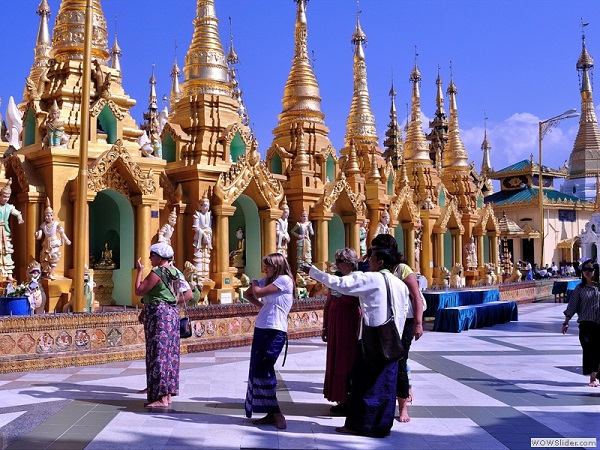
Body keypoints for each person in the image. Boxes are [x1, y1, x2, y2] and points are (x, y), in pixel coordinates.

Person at [302, 246, 410, 438]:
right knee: (385, 383)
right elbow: (402, 312)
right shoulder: (400, 284)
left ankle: (358, 424)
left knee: (363, 382)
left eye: (372, 259)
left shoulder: (372, 278)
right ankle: (381, 425)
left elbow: (340, 283)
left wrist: (313, 272)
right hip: (392, 341)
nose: (368, 263)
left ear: (381, 262)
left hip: (372, 339)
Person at [370, 233, 423, 422]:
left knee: (399, 361)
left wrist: (418, 323)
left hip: (404, 322)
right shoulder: (376, 268)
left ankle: (402, 408)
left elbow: (416, 296)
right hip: (385, 321)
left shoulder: (402, 269)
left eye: (375, 249)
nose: (372, 253)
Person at [135, 242, 193, 407]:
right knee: (169, 354)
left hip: (159, 316)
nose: (150, 258)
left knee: (158, 354)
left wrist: (139, 272)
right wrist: (170, 303)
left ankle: (161, 397)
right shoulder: (175, 272)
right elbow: (186, 294)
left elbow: (139, 290)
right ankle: (165, 393)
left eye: (152, 255)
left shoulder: (157, 272)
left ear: (160, 258)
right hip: (171, 315)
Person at [244, 253, 295, 430]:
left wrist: (253, 281)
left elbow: (256, 292)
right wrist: (264, 307)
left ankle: (276, 412)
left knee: (265, 368)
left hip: (275, 329)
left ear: (278, 266)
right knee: (257, 368)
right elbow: (248, 294)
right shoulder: (269, 279)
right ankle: (269, 412)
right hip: (262, 326)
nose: (265, 269)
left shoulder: (284, 280)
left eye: (269, 266)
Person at [322, 248, 361, 415]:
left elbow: (354, 301)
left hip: (348, 322)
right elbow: (328, 302)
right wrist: (325, 326)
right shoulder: (336, 279)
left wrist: (340, 295)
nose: (336, 265)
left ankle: (347, 398)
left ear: (348, 263)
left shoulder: (356, 279)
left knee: (346, 359)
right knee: (335, 357)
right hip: (334, 322)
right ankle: (338, 397)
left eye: (339, 261)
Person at [562, 259, 600, 387]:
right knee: (589, 350)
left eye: (590, 269)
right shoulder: (580, 288)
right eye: (585, 270)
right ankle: (592, 378)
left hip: (599, 325)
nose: (587, 272)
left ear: (595, 270)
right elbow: (572, 305)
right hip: (586, 325)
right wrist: (566, 322)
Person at [34, 199, 71, 280]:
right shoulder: (43, 225)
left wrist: (66, 239)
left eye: (49, 215)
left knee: (54, 258)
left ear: (53, 216)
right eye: (46, 216)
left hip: (54, 242)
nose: (47, 217)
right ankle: (47, 273)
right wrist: (37, 234)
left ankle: (51, 273)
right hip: (46, 242)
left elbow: (61, 233)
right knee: (44, 258)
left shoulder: (56, 224)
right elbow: (40, 233)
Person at [0, 178, 24, 279]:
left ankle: (9, 274)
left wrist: (20, 219)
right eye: (4, 196)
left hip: (5, 232)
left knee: (7, 251)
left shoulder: (9, 207)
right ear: (0, 196)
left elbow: (17, 213)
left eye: (8, 197)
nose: (6, 199)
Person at [192, 195, 212, 277]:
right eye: (205, 205)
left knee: (206, 258)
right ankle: (199, 276)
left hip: (207, 239)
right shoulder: (197, 215)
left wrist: (208, 234)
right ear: (200, 206)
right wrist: (203, 234)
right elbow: (195, 227)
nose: (207, 207)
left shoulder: (209, 215)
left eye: (208, 205)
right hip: (199, 239)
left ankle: (205, 275)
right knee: (198, 258)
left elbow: (209, 227)